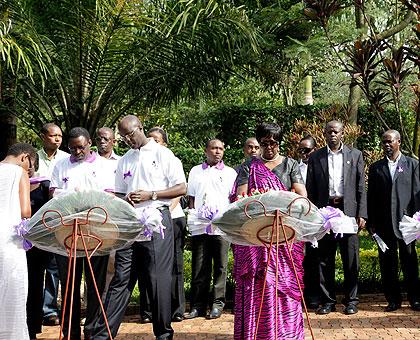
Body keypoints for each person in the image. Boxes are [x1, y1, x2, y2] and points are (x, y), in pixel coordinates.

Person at [92, 115, 187, 340]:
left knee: (156, 278)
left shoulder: (163, 154)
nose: (128, 140)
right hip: (132, 221)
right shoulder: (125, 159)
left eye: (131, 134)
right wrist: (126, 198)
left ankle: (163, 333)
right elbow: (118, 191)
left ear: (140, 128)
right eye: (123, 137)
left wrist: (151, 194)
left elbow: (181, 187)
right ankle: (103, 334)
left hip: (157, 220)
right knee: (122, 277)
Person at [234, 123, 307, 339]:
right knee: (260, 284)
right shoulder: (249, 166)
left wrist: (282, 202)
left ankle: (286, 334)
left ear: (279, 143)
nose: (269, 148)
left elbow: (301, 196)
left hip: (284, 236)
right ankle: (260, 333)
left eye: (273, 143)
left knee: (284, 284)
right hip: (257, 238)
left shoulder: (291, 165)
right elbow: (241, 199)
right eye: (264, 143)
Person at [50, 127, 111, 340]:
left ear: (90, 143)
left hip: (96, 232)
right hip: (67, 233)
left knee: (96, 284)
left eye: (81, 147)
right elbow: (54, 194)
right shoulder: (60, 165)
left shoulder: (105, 166)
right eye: (73, 148)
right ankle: (70, 332)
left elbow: (109, 197)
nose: (77, 152)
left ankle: (93, 332)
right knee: (69, 285)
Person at [306, 120, 367, 315]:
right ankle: (328, 301)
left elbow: (360, 187)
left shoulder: (355, 155)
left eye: (336, 131)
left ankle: (352, 300)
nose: (333, 135)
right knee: (324, 259)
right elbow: (311, 188)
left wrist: (362, 214)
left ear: (343, 134)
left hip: (348, 211)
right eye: (329, 131)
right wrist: (313, 214)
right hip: (325, 211)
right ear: (324, 134)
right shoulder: (316, 157)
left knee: (351, 259)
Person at [184, 139, 237, 320]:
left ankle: (217, 304)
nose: (218, 152)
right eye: (214, 148)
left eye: (221, 149)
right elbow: (191, 198)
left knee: (221, 267)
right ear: (206, 150)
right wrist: (192, 218)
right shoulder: (195, 171)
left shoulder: (230, 173)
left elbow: (233, 199)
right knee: (199, 266)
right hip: (200, 227)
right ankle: (197, 305)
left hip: (221, 228)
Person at [367, 130, 420, 312]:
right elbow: (371, 197)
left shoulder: (412, 164)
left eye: (390, 141)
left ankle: (415, 298)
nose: (386, 145)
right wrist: (371, 222)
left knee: (409, 261)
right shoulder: (376, 168)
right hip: (384, 224)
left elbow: (416, 194)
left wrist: (416, 219)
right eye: (383, 142)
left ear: (398, 142)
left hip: (407, 223)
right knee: (388, 263)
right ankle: (393, 300)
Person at [144, 127, 187, 323]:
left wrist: (164, 213)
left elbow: (178, 190)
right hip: (147, 221)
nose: (152, 142)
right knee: (149, 268)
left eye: (157, 140)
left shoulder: (170, 158)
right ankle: (149, 311)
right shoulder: (140, 158)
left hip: (171, 217)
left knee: (174, 266)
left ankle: (176, 309)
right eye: (149, 138)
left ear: (164, 143)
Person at [0, 143, 36, 339]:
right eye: (29, 165)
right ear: (24, 157)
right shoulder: (19, 173)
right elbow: (25, 212)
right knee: (12, 286)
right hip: (9, 238)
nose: (29, 170)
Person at [36, 123, 68, 327]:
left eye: (59, 136)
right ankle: (34, 308)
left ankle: (50, 310)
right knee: (39, 265)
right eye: (53, 135)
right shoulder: (32, 157)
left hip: (60, 218)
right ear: (43, 137)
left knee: (55, 266)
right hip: (37, 216)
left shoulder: (66, 158)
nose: (57, 139)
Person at [26, 154, 52, 340]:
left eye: (30, 165)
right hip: (17, 243)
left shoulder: (44, 185)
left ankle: (33, 327)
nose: (27, 168)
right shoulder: (11, 184)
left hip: (39, 245)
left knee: (36, 284)